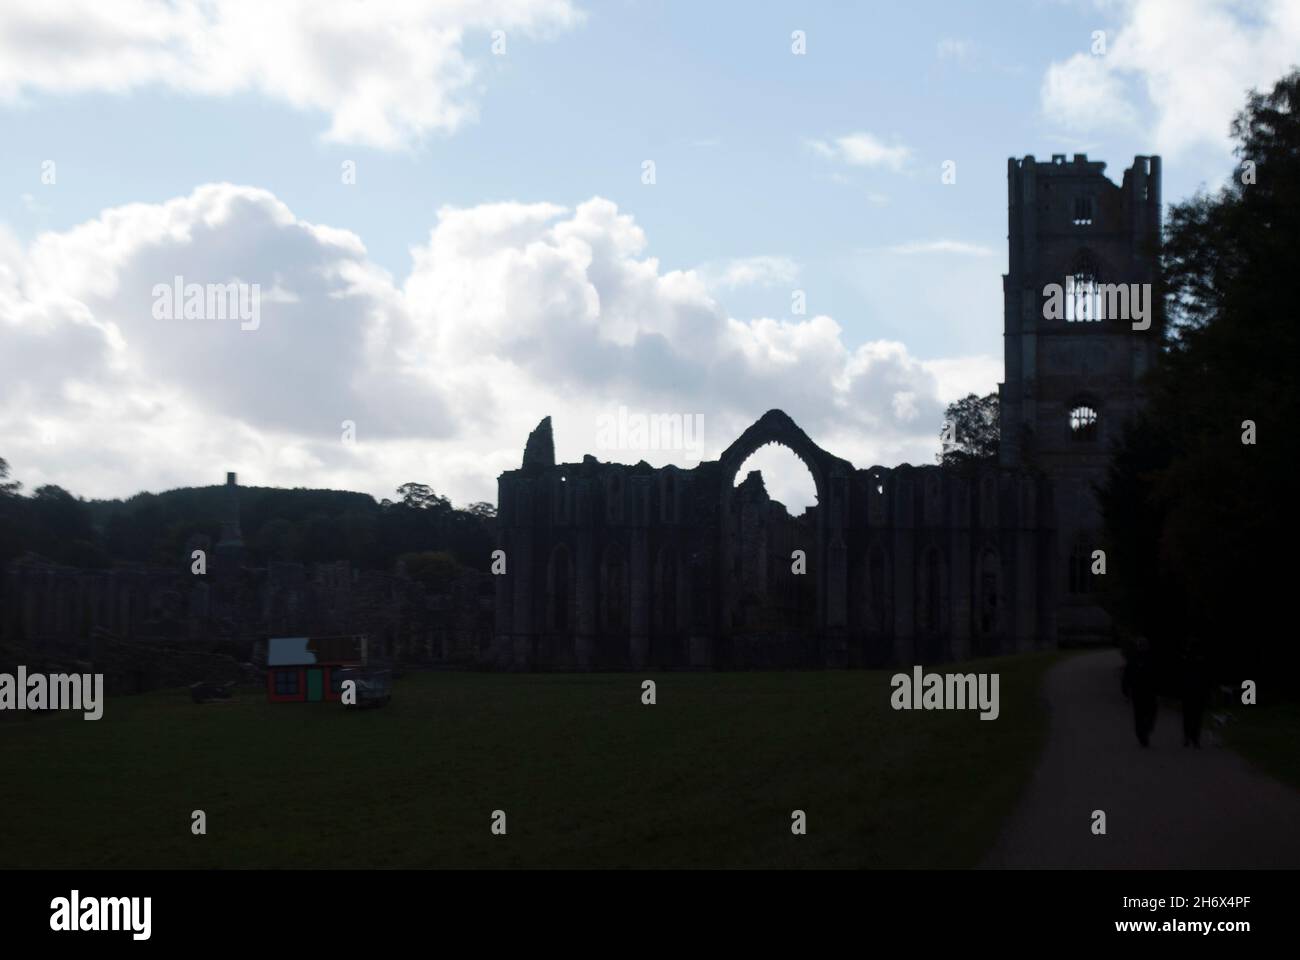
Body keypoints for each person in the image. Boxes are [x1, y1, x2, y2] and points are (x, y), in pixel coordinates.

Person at [1124, 639, 1158, 747]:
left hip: (1148, 691)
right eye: (1141, 645)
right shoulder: (1134, 659)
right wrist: (1125, 688)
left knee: (1148, 713)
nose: (1142, 647)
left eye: (1144, 645)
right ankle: (1142, 733)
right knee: (1140, 714)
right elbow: (1127, 675)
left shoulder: (1151, 659)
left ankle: (1145, 730)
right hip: (1139, 692)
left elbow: (1158, 676)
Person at [1180, 644, 1212, 748]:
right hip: (1192, 692)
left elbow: (1206, 678)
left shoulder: (1194, 661)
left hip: (1194, 692)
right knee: (1193, 717)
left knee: (1192, 716)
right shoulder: (1193, 661)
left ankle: (1191, 737)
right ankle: (1192, 737)